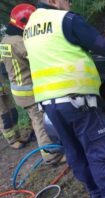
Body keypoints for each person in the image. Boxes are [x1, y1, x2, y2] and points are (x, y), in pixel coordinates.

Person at [23, 0, 105, 198]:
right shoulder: (66, 19)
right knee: (98, 150)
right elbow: (101, 45)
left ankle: (95, 194)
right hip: (77, 100)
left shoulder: (30, 27)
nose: (69, 3)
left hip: (50, 103)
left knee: (75, 152)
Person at [1, 3, 64, 163]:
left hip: (18, 89)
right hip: (29, 90)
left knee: (35, 118)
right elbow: (39, 56)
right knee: (40, 121)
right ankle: (51, 155)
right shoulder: (19, 42)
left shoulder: (5, 40)